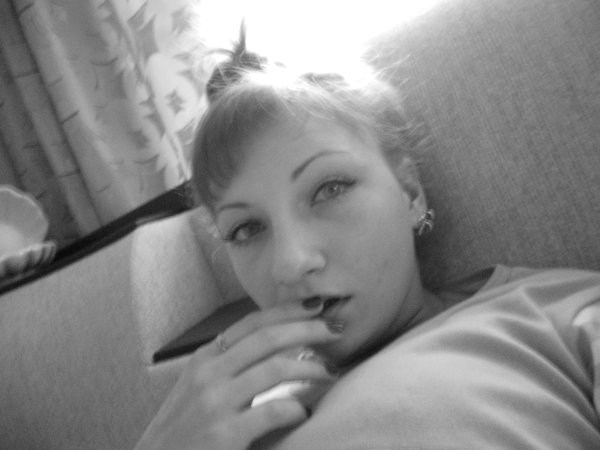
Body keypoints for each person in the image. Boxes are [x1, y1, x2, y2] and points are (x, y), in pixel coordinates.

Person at [136, 28, 600, 449]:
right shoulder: (225, 425)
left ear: (410, 193)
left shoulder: (557, 315)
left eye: (329, 189)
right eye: (247, 229)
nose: (291, 264)